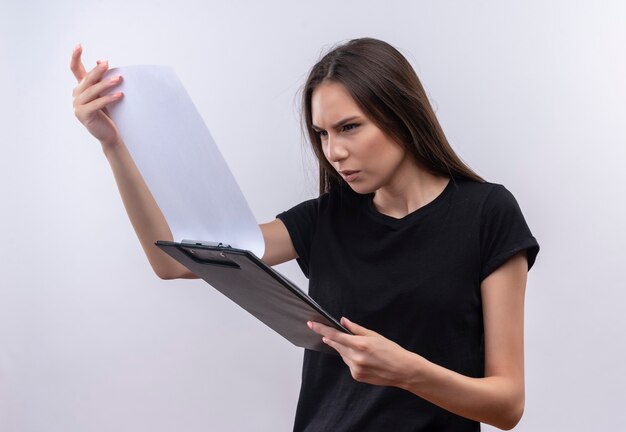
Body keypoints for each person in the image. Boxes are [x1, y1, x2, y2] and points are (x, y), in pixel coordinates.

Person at [71, 37, 539, 431]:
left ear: (402, 114)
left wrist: (406, 371)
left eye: (350, 128)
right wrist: (113, 144)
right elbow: (173, 262)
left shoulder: (487, 213)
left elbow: (506, 404)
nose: (333, 151)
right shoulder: (325, 219)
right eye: (322, 134)